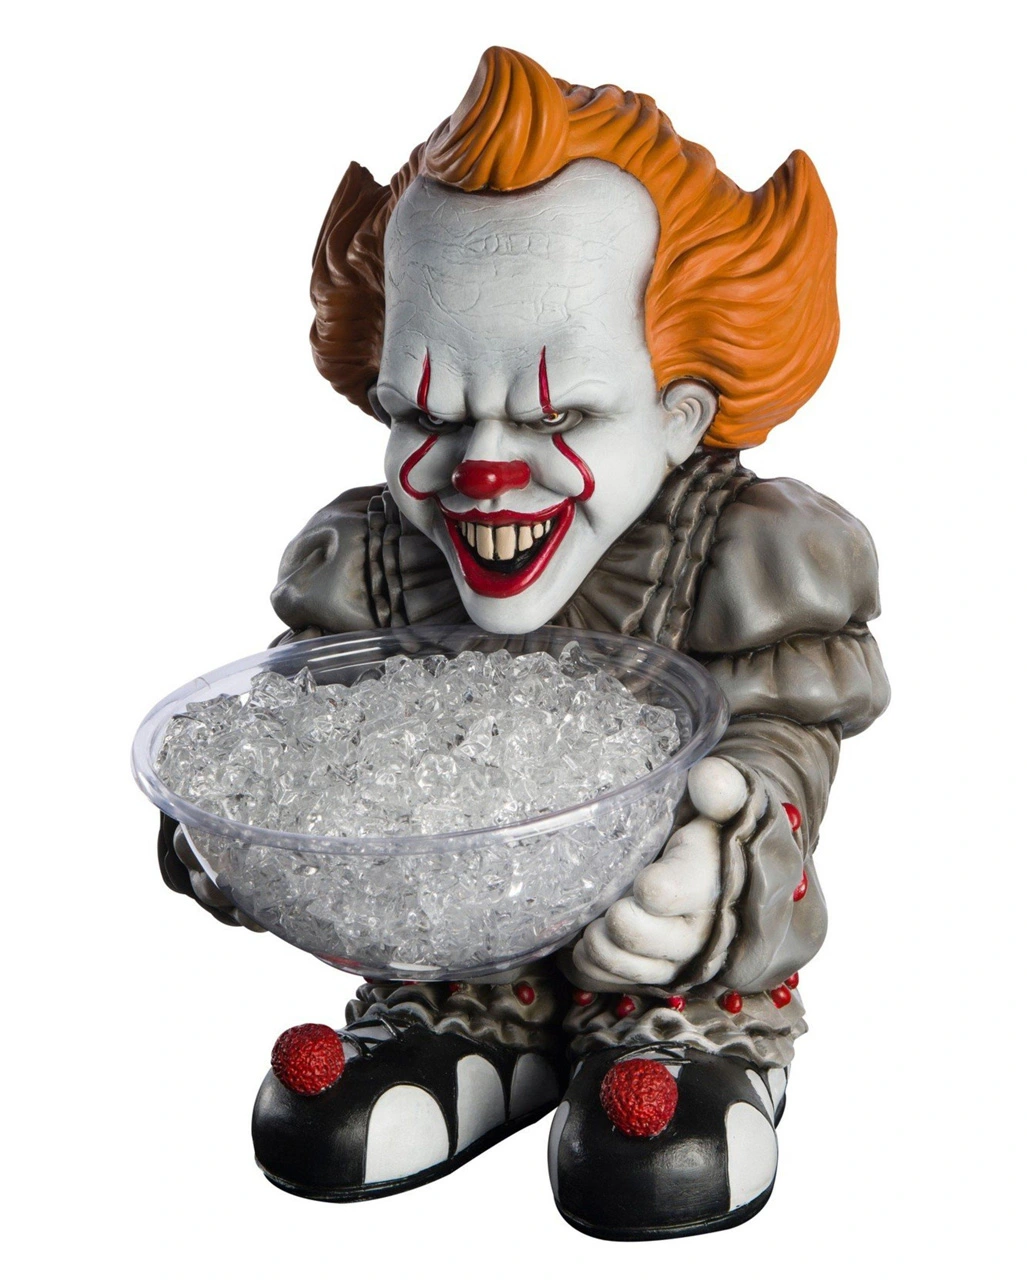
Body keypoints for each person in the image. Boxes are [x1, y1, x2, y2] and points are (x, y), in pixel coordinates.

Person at [158, 47, 889, 1239]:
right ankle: (458, 1034)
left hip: (661, 968)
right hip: (445, 946)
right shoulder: (369, 559)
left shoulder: (747, 555)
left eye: (559, 413)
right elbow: (302, 738)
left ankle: (681, 1053)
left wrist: (715, 868)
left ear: (681, 410)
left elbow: (782, 752)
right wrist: (228, 836)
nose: (484, 469)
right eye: (427, 412)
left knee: (655, 1110)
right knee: (352, 1100)